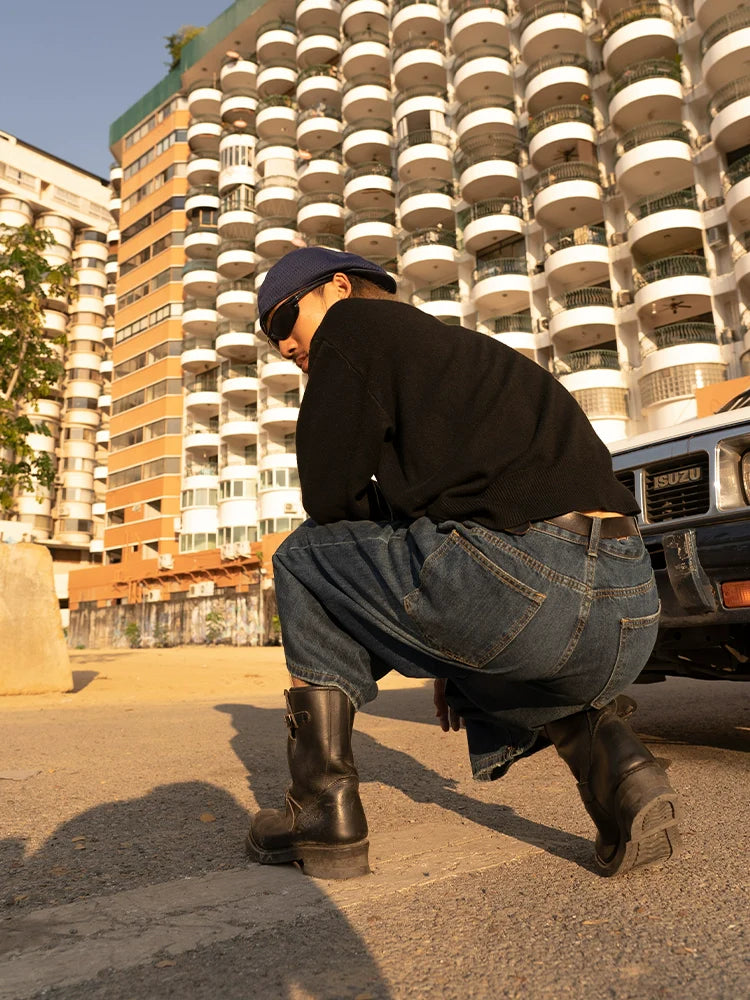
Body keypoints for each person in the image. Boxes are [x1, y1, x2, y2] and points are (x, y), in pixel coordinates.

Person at [246, 247, 680, 881]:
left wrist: (464, 609)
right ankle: (621, 770)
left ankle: (321, 809)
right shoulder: (470, 358)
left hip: (529, 585)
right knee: (456, 581)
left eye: (285, 320)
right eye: (270, 338)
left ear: (338, 288)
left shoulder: (352, 328)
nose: (284, 344)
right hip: (631, 608)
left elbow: (330, 498)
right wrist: (450, 638)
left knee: (304, 557)